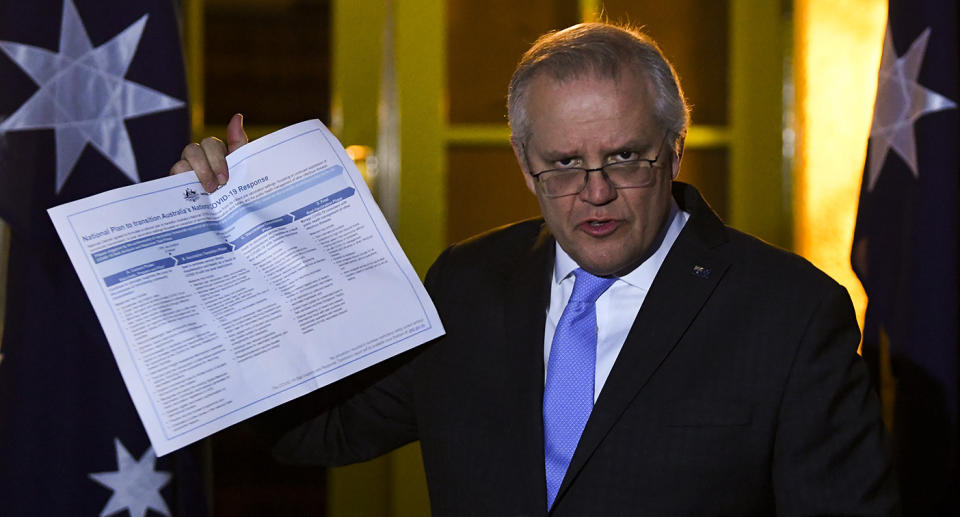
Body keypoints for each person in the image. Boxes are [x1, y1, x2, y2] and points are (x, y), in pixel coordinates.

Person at [172, 22, 899, 516]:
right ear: (525, 163)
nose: (595, 191)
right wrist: (231, 243)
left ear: (674, 150)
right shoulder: (468, 283)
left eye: (624, 156)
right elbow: (313, 430)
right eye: (562, 163)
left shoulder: (792, 312)